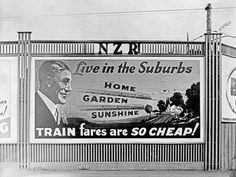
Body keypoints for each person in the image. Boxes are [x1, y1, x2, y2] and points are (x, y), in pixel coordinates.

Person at [35, 60, 72, 129]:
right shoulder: (34, 109)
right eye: (65, 82)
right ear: (48, 82)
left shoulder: (57, 112)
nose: (69, 89)